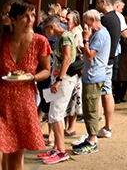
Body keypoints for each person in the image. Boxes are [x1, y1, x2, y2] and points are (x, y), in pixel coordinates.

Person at [0, 0, 52, 170]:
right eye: (25, 16)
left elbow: (46, 70)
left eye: (32, 15)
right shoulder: (3, 39)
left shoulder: (40, 41)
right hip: (2, 101)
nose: (30, 20)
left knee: (15, 157)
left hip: (24, 102)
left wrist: (32, 77)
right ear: (13, 19)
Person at [40, 15, 79, 164]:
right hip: (58, 79)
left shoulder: (65, 37)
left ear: (51, 27)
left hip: (64, 80)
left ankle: (61, 151)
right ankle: (57, 148)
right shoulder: (61, 37)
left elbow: (67, 59)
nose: (45, 33)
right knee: (53, 113)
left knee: (56, 114)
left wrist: (59, 80)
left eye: (45, 29)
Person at [73, 9, 111, 155]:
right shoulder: (101, 33)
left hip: (94, 76)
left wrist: (86, 39)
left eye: (86, 22)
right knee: (89, 109)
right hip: (92, 75)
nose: (85, 25)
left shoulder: (100, 34)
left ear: (93, 20)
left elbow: (90, 56)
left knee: (91, 109)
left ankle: (92, 140)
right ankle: (90, 137)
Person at [96, 0, 122, 139]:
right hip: (110, 59)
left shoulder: (107, 19)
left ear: (104, 2)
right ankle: (106, 125)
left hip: (104, 60)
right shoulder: (116, 18)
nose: (98, 5)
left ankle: (106, 126)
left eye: (99, 3)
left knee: (104, 92)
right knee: (105, 92)